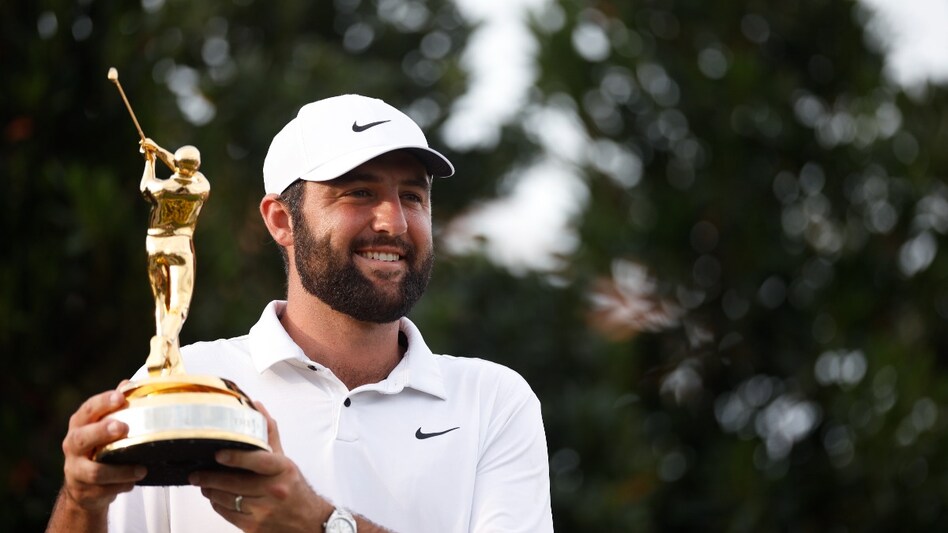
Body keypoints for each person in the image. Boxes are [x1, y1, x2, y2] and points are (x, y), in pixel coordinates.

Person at [46, 94, 554, 533]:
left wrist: (317, 522)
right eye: (359, 192)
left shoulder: (493, 401)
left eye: (413, 196)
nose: (395, 222)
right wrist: (81, 502)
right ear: (281, 221)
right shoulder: (189, 383)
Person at [139, 139, 210, 376]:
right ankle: (162, 342)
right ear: (196, 167)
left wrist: (150, 159)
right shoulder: (200, 189)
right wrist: (158, 151)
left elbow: (145, 186)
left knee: (162, 304)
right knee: (178, 306)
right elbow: (188, 172)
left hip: (155, 244)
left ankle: (173, 366)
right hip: (179, 245)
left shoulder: (161, 188)